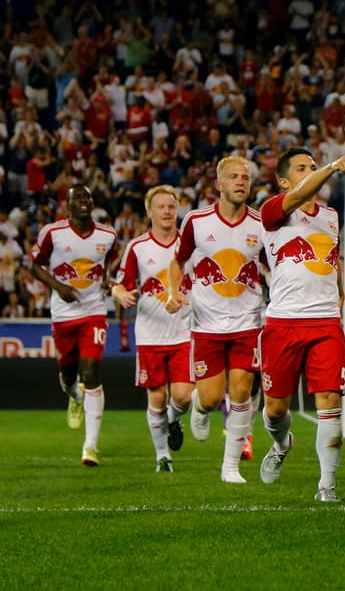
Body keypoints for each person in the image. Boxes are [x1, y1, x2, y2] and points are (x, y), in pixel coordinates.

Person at [255, 146, 345, 501]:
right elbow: (300, 194)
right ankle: (282, 442)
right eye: (303, 168)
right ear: (284, 181)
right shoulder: (272, 211)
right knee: (275, 410)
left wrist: (342, 292)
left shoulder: (331, 216)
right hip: (283, 323)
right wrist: (332, 166)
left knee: (330, 402)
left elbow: (331, 258)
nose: (311, 171)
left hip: (325, 323)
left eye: (313, 166)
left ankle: (327, 486)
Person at [168, 156, 266, 484]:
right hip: (206, 325)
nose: (241, 182)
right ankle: (198, 407)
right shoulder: (196, 221)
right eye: (234, 177)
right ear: (219, 184)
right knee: (210, 398)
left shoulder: (260, 224)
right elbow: (177, 261)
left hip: (247, 323)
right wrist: (173, 292)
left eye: (246, 177)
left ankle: (230, 467)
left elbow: (271, 268)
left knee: (241, 392)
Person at [29, 184, 120, 466]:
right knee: (69, 374)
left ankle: (90, 446)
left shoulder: (107, 235)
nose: (83, 201)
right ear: (67, 205)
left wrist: (108, 278)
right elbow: (34, 265)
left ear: (92, 203)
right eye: (77, 197)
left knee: (91, 370)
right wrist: (57, 286)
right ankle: (73, 395)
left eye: (86, 197)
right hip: (63, 314)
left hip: (94, 311)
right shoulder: (52, 233)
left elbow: (113, 257)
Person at [111, 185, 193, 473]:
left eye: (171, 206)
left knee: (183, 396)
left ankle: (173, 420)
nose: (168, 212)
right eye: (161, 207)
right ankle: (163, 456)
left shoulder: (189, 243)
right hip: (150, 332)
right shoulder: (138, 247)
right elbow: (120, 283)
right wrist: (120, 295)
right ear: (150, 212)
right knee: (157, 397)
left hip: (184, 331)